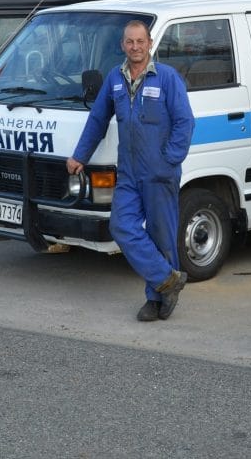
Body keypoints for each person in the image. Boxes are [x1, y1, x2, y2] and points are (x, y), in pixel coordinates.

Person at [66, 20, 195, 322]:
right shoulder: (115, 78)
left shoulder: (167, 79)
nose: (135, 47)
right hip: (129, 173)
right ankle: (169, 280)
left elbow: (185, 123)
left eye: (140, 41)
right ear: (123, 45)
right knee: (121, 226)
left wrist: (169, 160)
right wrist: (79, 155)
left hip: (159, 172)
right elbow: (98, 119)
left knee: (161, 235)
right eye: (129, 42)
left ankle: (155, 299)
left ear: (150, 43)